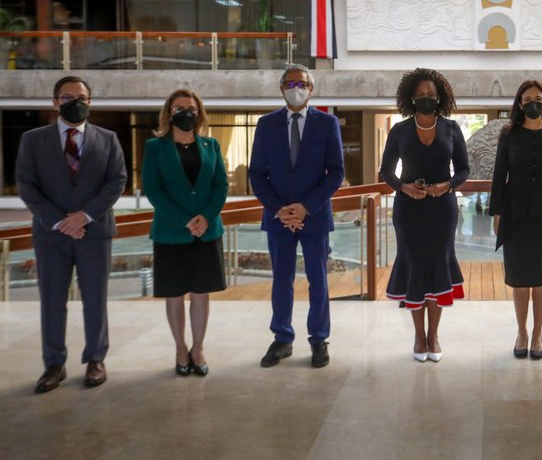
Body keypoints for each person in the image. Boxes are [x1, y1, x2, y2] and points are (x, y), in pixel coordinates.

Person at [15, 76, 127, 394]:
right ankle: (54, 364)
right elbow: (26, 184)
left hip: (95, 232)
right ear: (55, 103)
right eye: (67, 97)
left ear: (90, 102)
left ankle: (95, 359)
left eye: (82, 97)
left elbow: (117, 180)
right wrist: (60, 221)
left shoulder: (108, 138)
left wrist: (85, 216)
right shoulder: (33, 140)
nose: (75, 102)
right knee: (52, 302)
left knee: (95, 300)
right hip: (51, 235)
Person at [249, 66, 344, 369]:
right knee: (281, 280)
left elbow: (336, 172)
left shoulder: (327, 124)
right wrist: (279, 209)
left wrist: (305, 207)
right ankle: (282, 338)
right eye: (289, 84)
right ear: (281, 89)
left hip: (314, 216)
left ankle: (319, 339)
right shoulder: (266, 125)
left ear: (311, 89)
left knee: (318, 281)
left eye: (301, 84)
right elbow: (257, 173)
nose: (296, 88)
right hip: (278, 217)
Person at [380, 68, 469, 362]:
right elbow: (386, 172)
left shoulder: (452, 128)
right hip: (409, 211)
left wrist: (448, 185)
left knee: (439, 264)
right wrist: (404, 187)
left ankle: (434, 336)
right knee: (415, 265)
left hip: (442, 211)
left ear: (439, 97)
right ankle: (419, 336)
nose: (426, 98)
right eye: (420, 95)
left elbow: (464, 170)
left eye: (431, 94)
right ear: (411, 98)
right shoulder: (399, 130)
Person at [141, 89, 228, 376]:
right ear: (169, 113)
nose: (186, 113)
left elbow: (220, 186)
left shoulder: (211, 145)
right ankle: (180, 348)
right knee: (175, 294)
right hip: (170, 233)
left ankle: (198, 348)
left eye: (191, 108)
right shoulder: (155, 147)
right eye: (179, 108)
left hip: (207, 232)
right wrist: (185, 221)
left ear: (199, 113)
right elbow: (153, 190)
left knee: (201, 293)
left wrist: (206, 217)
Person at [489, 80, 542, 360]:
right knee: (519, 278)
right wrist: (497, 213)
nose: (533, 104)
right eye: (527, 100)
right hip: (515, 214)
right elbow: (499, 176)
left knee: (541, 277)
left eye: (538, 99)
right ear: (519, 104)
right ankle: (522, 332)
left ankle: (537, 333)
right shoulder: (509, 135)